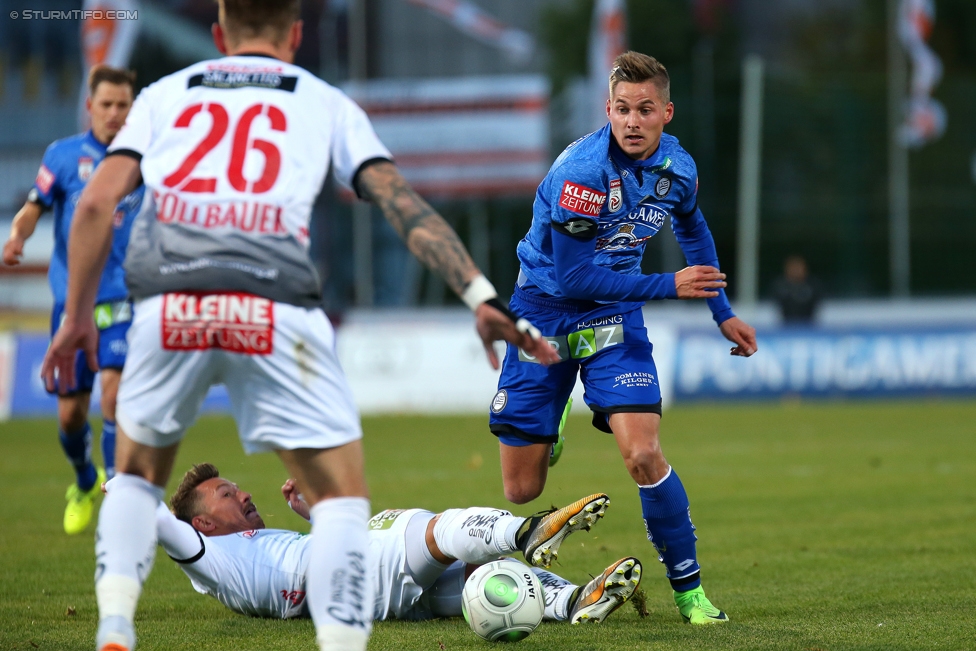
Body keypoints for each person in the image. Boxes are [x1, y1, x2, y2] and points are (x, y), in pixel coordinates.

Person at [39, 2, 556, 651]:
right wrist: (479, 293)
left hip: (170, 304)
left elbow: (93, 203)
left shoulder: (163, 96)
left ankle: (115, 622)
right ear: (296, 35)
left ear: (220, 35)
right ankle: (340, 641)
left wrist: (77, 317)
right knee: (338, 495)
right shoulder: (323, 101)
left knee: (136, 475)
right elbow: (401, 202)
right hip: (274, 302)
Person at [488, 51, 758, 625]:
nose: (632, 121)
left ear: (666, 112)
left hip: (615, 314)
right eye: (621, 110)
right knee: (521, 492)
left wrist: (721, 311)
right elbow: (574, 278)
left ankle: (690, 594)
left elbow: (693, 227)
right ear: (607, 110)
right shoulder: (580, 174)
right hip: (544, 312)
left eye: (644, 110)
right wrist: (670, 284)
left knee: (642, 454)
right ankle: (555, 416)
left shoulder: (677, 167)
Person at [140, 463, 641, 626]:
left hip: (355, 590)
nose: (244, 493)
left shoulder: (249, 549)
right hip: (352, 575)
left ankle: (575, 602)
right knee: (434, 528)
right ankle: (525, 532)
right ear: (200, 526)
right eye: (227, 494)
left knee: (475, 580)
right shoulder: (207, 558)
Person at [2, 65, 143, 535]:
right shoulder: (63, 157)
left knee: (115, 394)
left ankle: (117, 497)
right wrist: (16, 237)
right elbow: (32, 209)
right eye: (107, 104)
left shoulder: (146, 157)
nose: (115, 113)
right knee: (70, 416)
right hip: (73, 306)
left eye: (123, 104)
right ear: (90, 106)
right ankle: (84, 479)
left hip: (122, 298)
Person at [773, 255, 822, 325]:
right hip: (784, 327)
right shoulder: (779, 286)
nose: (796, 271)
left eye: (798, 268)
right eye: (793, 268)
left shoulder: (814, 285)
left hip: (809, 326)